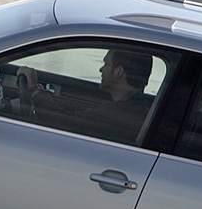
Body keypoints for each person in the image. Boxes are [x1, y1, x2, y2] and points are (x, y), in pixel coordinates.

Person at [17, 48, 153, 145]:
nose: (101, 70)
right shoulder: (135, 107)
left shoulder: (122, 112)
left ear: (118, 71)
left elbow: (67, 124)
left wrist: (34, 92)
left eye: (106, 64)